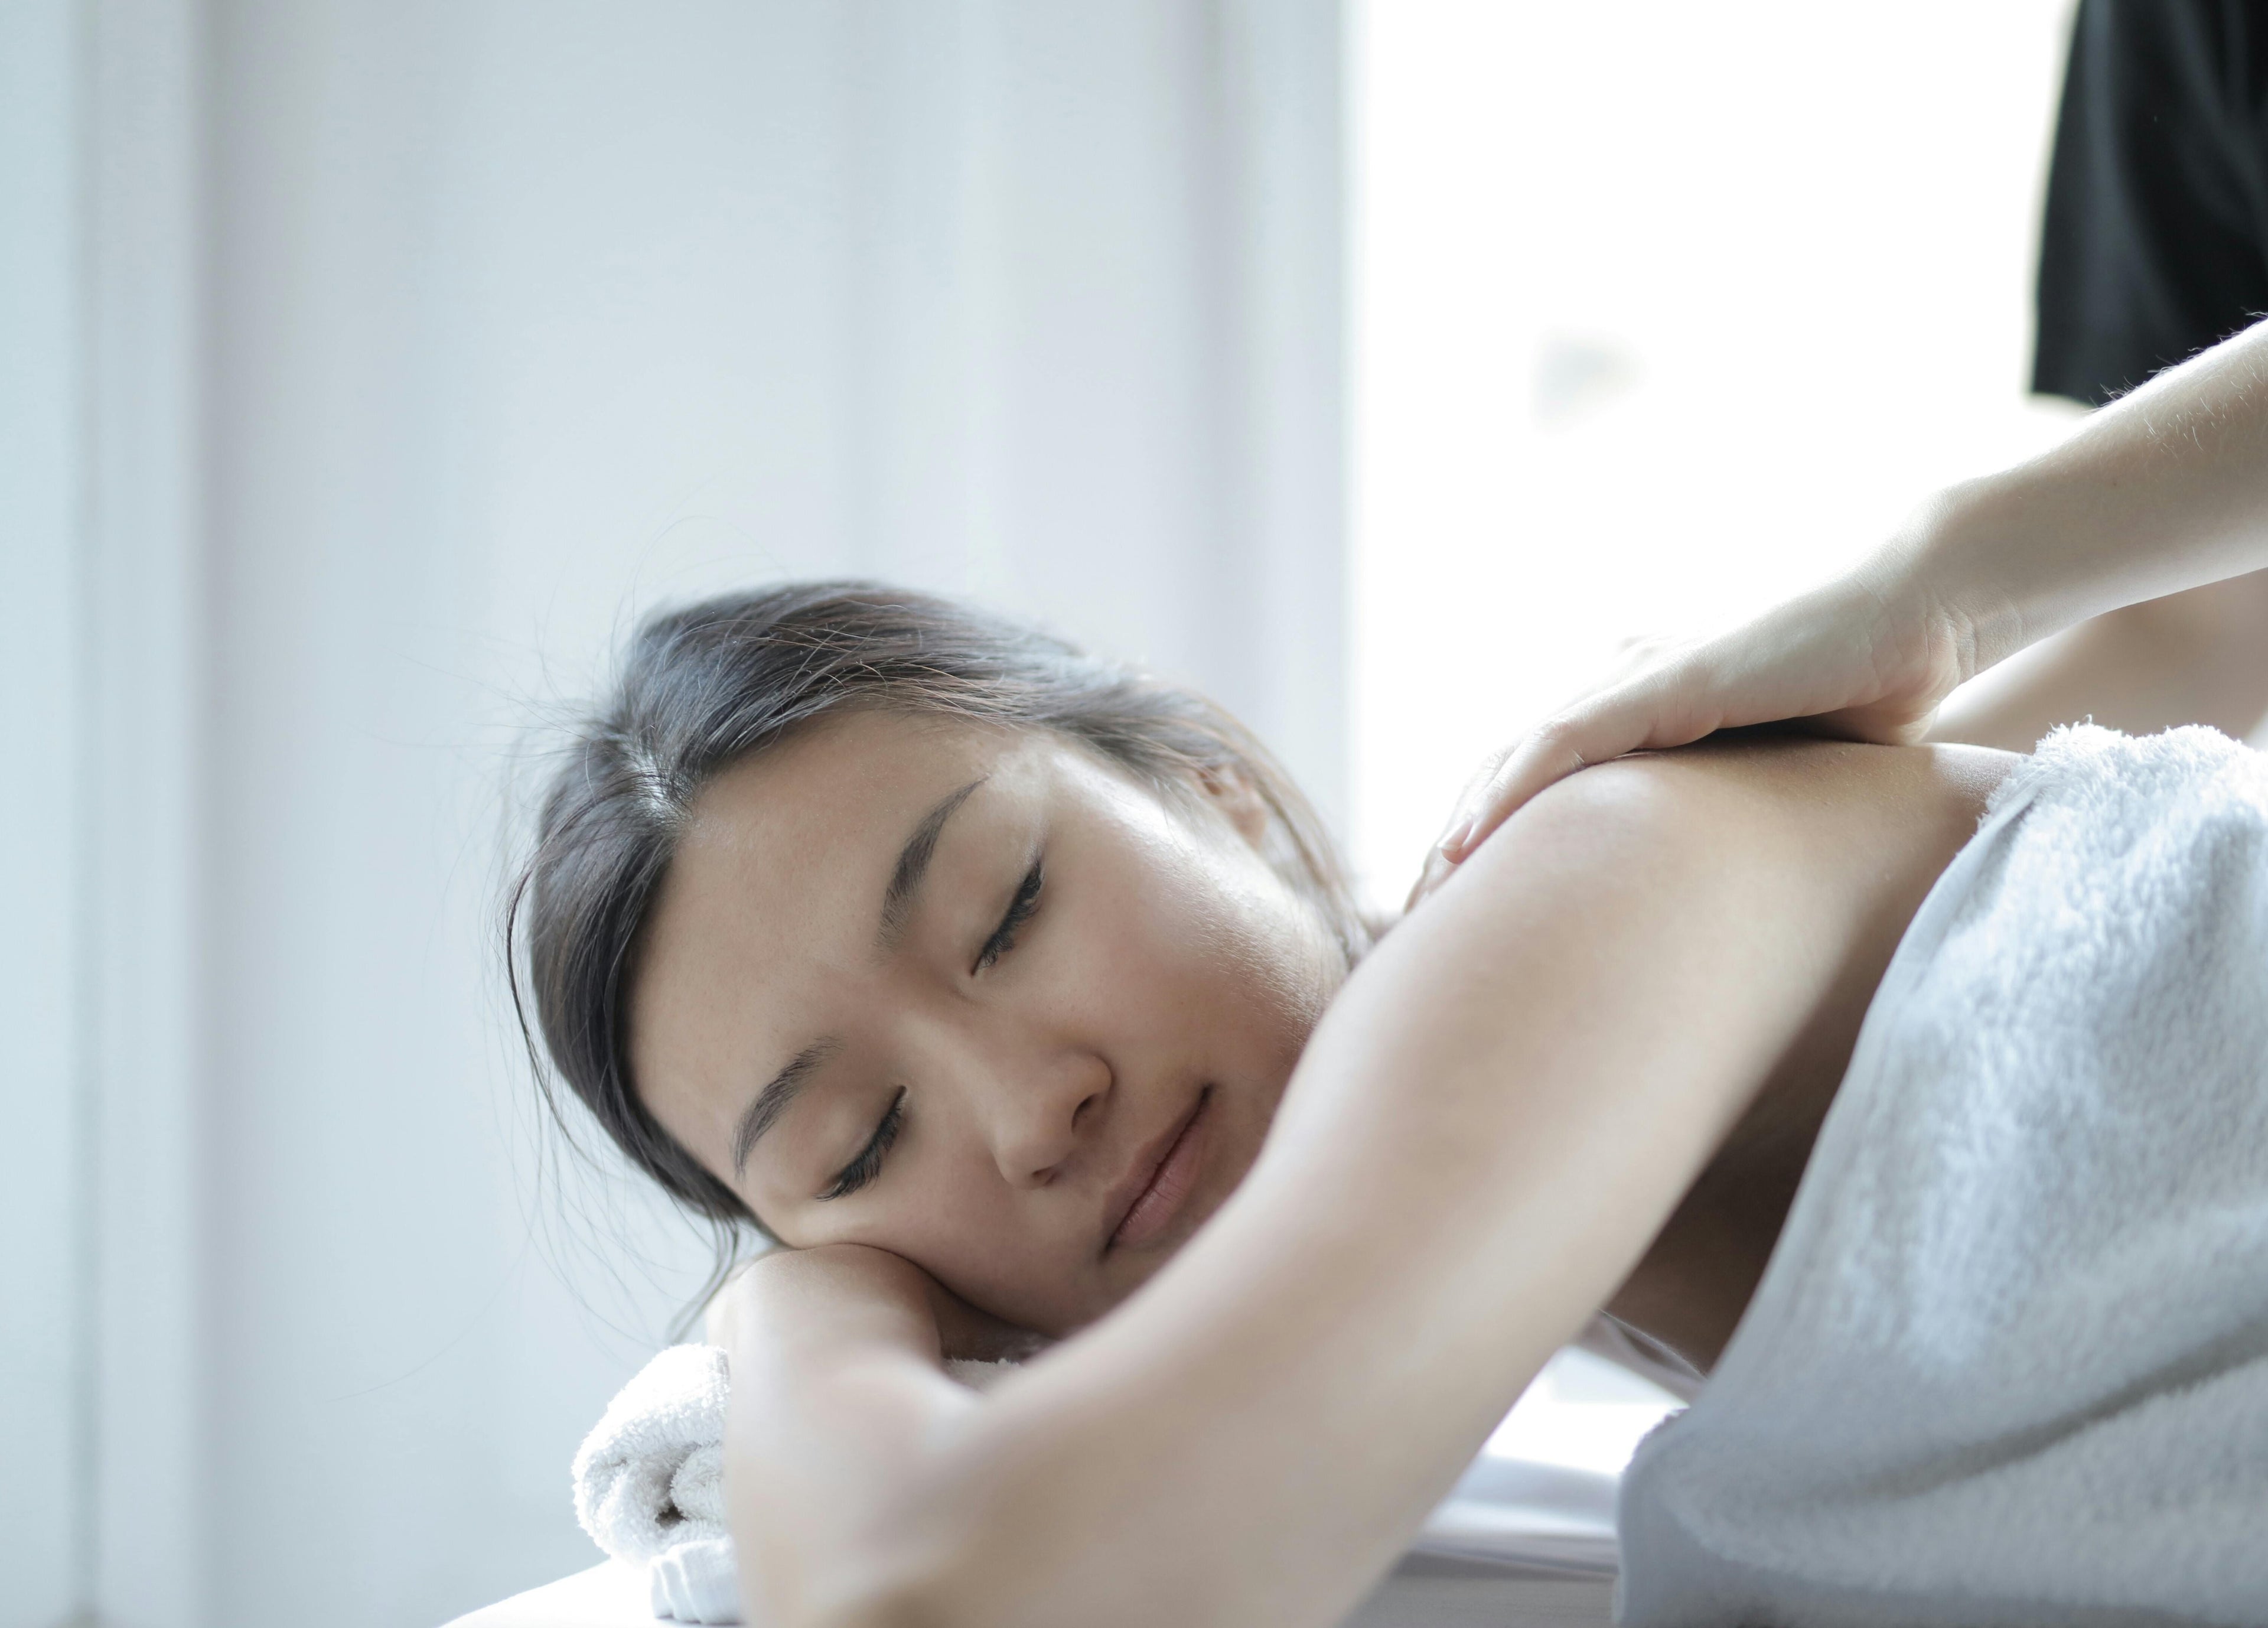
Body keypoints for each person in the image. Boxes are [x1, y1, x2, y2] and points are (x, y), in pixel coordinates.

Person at [510, 318, 2268, 1628]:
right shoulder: (1743, 984)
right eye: (863, 1141)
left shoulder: (1587, 887)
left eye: (1010, 906)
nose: (1035, 1104)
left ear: (1211, 787)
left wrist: (793, 1312)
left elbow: (951, 1591)